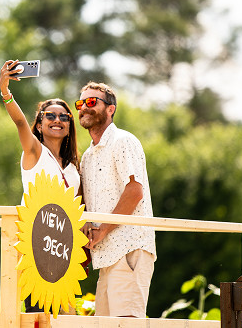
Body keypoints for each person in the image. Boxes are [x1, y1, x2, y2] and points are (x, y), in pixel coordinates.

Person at [0, 60, 81, 313]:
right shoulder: (35, 151)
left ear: (69, 125)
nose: (57, 120)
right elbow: (20, 123)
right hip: (36, 247)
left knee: (66, 319)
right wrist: (5, 90)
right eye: (50, 116)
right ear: (40, 123)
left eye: (63, 117)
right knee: (40, 319)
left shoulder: (72, 167)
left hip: (64, 250)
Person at [76, 81, 156, 318]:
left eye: (92, 102)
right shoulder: (88, 156)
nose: (85, 107)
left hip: (129, 249)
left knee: (126, 324)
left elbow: (134, 191)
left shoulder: (123, 141)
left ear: (110, 109)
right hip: (105, 255)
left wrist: (103, 229)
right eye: (81, 103)